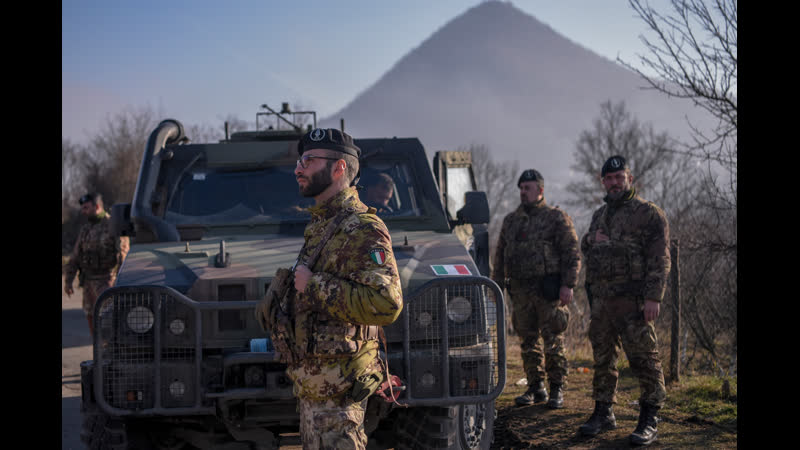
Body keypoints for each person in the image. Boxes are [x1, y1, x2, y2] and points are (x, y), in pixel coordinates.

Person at [286, 128, 404, 449]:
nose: (298, 169)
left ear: (339, 168)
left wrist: (314, 285)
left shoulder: (362, 227)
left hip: (340, 392)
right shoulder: (322, 224)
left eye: (309, 161)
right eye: (299, 161)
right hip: (315, 387)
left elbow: (387, 303)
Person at [578, 155, 671, 446]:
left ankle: (650, 418)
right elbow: (586, 246)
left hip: (634, 302)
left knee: (644, 359)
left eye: (619, 177)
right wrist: (591, 240)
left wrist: (653, 297)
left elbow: (660, 258)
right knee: (603, 359)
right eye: (609, 178)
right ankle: (603, 411)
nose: (614, 183)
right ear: (603, 182)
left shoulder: (648, 213)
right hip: (603, 302)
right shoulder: (600, 215)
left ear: (630, 179)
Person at [491, 169, 581, 409]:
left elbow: (571, 252)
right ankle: (535, 386)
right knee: (528, 342)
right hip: (520, 291)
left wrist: (568, 284)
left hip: (547, 290)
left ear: (540, 190)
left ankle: (557, 388)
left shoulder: (556, 218)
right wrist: (496, 286)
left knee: (553, 340)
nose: (523, 192)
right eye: (521, 188)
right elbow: (500, 256)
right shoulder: (511, 221)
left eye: (527, 188)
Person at [63, 193, 130, 336]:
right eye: (83, 208)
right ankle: (97, 347)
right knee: (91, 317)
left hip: (107, 281)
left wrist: (121, 281)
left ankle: (111, 347)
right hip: (89, 283)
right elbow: (75, 256)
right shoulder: (86, 229)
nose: (83, 211)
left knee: (110, 320)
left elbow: (123, 254)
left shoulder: (113, 225)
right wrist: (68, 281)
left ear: (97, 206)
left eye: (86, 208)